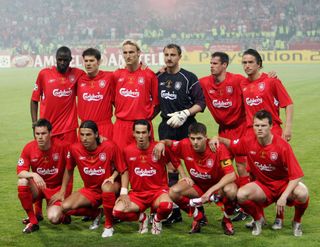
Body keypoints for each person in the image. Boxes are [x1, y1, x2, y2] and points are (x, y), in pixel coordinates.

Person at [210, 110, 309, 236]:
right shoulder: (248, 141)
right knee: (241, 195)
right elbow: (232, 145)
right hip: (264, 186)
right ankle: (258, 220)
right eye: (257, 125)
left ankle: (297, 222)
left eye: (263, 125)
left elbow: (296, 175)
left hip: (283, 185)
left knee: (303, 193)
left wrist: (284, 196)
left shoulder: (282, 146)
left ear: (271, 126)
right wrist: (217, 138)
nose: (259, 129)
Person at [153, 122, 237, 235]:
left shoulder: (217, 148)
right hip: (197, 186)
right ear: (189, 137)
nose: (195, 142)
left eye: (199, 138)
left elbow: (231, 175)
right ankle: (198, 216)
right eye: (192, 138)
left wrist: (210, 191)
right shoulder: (185, 144)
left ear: (206, 138)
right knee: (173, 192)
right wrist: (161, 143)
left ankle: (226, 219)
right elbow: (169, 146)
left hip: (217, 188)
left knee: (231, 191)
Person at [30, 46, 84, 219]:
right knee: (41, 166)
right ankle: (37, 208)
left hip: (68, 131)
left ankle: (64, 206)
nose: (62, 62)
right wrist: (34, 124)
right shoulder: (44, 74)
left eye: (65, 60)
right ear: (55, 59)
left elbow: (96, 75)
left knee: (67, 167)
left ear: (70, 60)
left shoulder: (77, 74)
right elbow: (33, 100)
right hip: (47, 131)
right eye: (59, 59)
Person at [157, 43, 206, 224]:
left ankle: (199, 210)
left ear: (179, 57)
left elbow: (201, 103)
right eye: (166, 54)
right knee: (170, 169)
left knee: (193, 169)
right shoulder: (158, 77)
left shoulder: (188, 77)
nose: (169, 58)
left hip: (187, 127)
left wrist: (185, 113)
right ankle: (175, 211)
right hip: (166, 126)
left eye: (173, 55)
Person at [59, 120, 127, 237]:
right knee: (65, 207)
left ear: (96, 134)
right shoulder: (74, 149)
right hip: (91, 190)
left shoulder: (110, 146)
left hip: (111, 186)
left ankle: (108, 225)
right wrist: (62, 190)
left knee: (106, 187)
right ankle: (97, 213)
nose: (84, 138)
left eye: (88, 134)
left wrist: (123, 192)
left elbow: (123, 170)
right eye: (82, 134)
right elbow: (68, 169)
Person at [112, 120, 177, 235]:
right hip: (138, 194)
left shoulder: (158, 148)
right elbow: (124, 171)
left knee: (167, 206)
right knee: (117, 212)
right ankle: (142, 218)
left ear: (149, 133)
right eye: (138, 132)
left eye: (143, 132)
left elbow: (174, 164)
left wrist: (184, 176)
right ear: (133, 133)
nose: (141, 136)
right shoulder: (127, 151)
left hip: (158, 192)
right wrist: (123, 192)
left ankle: (157, 220)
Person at [17, 119, 70, 233]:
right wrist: (33, 174)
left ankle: (64, 213)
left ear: (51, 133)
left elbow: (71, 167)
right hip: (39, 187)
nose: (40, 137)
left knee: (54, 218)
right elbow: (20, 172)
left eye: (43, 133)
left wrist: (63, 191)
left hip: (56, 189)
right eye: (37, 134)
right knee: (22, 181)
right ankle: (33, 220)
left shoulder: (63, 146)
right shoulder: (29, 148)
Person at [112, 40, 159, 149]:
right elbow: (114, 100)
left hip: (142, 126)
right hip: (121, 126)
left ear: (138, 53)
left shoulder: (149, 75)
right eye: (125, 53)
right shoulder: (117, 74)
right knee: (120, 162)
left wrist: (147, 119)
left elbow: (157, 103)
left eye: (131, 52)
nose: (128, 56)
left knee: (145, 162)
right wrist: (125, 112)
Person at [241, 48, 293, 142]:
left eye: (250, 62)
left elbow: (288, 104)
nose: (247, 66)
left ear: (259, 64)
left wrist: (288, 128)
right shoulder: (242, 84)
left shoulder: (271, 81)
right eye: (244, 63)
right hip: (251, 132)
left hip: (272, 129)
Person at [77, 48, 115, 140]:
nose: (88, 64)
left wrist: (142, 65)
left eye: (91, 60)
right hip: (84, 128)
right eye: (86, 61)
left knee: (106, 153)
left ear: (99, 62)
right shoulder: (79, 79)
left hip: (104, 127)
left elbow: (128, 73)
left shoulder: (110, 77)